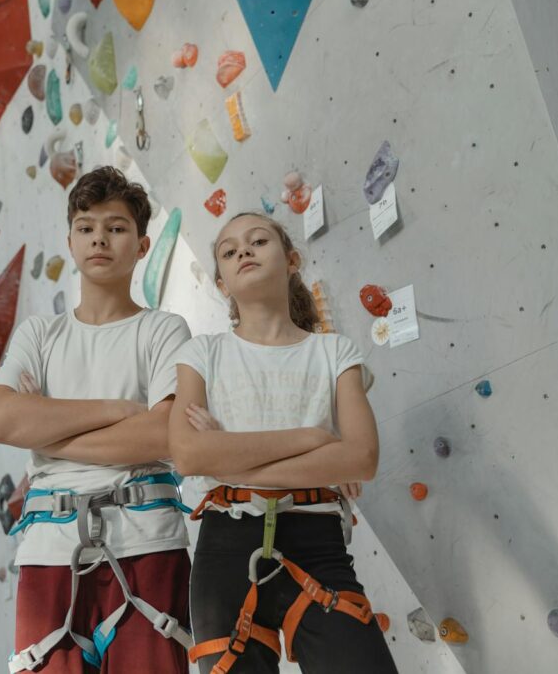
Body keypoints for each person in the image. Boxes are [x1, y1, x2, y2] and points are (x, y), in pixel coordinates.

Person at [169, 212, 398, 673]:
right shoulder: (202, 354)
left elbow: (362, 457)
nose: (244, 252)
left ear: (292, 260)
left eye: (258, 241)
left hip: (317, 543)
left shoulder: (335, 352)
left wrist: (229, 460)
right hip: (224, 550)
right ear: (221, 282)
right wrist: (314, 441)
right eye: (230, 251)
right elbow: (189, 454)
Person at [0, 166, 193, 673]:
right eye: (86, 227)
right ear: (70, 241)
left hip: (148, 541)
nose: (100, 237)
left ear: (142, 245)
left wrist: (51, 432)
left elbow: (166, 432)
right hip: (48, 549)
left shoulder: (163, 330)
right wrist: (115, 411)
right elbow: (1, 420)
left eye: (117, 227)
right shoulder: (40, 334)